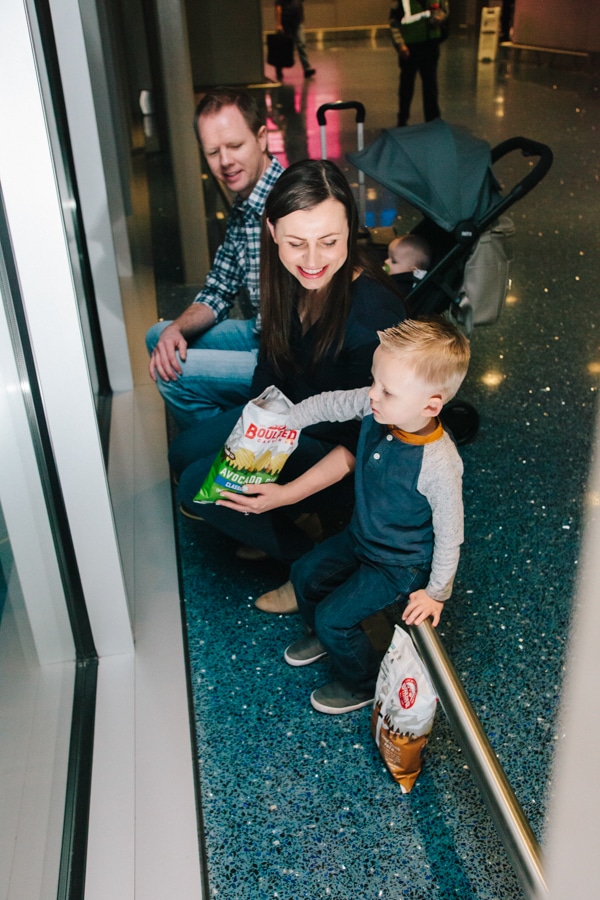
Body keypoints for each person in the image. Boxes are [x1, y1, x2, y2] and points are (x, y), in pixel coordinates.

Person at [175, 159, 407, 571]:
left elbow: (367, 440)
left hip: (343, 456)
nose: (313, 260)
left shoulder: (372, 316)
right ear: (272, 233)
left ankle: (312, 565)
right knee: (182, 456)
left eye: (329, 242)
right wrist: (251, 442)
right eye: (296, 243)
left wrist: (286, 492)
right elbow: (270, 369)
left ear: (350, 232)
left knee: (197, 485)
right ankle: (276, 521)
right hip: (291, 422)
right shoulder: (285, 277)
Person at [240, 316, 470, 714]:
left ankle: (361, 682)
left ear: (430, 405)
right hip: (361, 536)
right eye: (373, 381)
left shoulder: (439, 464)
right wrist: (284, 425)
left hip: (398, 564)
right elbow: (328, 403)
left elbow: (451, 535)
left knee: (335, 618)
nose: (373, 395)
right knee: (305, 573)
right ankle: (324, 636)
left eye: (387, 390)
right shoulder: (375, 405)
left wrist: (436, 594)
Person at [146, 88, 284, 430]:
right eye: (213, 151)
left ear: (262, 138)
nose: (224, 161)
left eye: (235, 146)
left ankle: (224, 446)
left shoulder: (288, 202)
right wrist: (176, 328)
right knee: (159, 336)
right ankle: (228, 424)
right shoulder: (244, 204)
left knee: (173, 375)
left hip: (285, 356)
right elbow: (219, 289)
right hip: (260, 333)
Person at [389, 0, 449, 127]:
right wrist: (400, 45)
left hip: (430, 43)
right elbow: (394, 21)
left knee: (430, 83)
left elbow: (444, 9)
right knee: (407, 83)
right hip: (410, 46)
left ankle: (433, 119)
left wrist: (440, 17)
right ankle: (403, 117)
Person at [274, 0, 316, 80]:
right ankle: (279, 68)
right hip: (285, 23)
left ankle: (306, 68)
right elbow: (278, 8)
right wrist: (279, 24)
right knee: (284, 47)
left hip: (297, 21)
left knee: (301, 44)